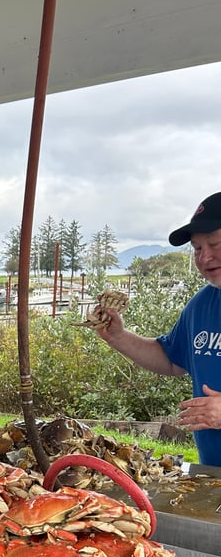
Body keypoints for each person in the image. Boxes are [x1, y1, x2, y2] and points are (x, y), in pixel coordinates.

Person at [96, 192, 221, 469]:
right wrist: (119, 337)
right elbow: (172, 360)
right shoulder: (202, 304)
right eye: (198, 248)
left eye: (215, 243)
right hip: (212, 475)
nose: (205, 257)